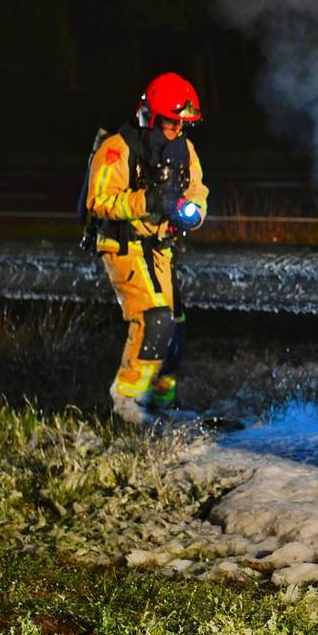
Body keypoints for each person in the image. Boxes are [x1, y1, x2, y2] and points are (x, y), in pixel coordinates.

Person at [84, 72, 208, 424]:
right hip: (123, 243)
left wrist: (192, 215)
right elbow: (100, 200)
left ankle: (161, 401)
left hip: (159, 247)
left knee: (175, 324)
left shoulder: (184, 149)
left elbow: (198, 192)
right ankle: (127, 403)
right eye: (170, 123)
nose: (176, 130)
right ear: (150, 116)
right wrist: (148, 199)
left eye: (182, 124)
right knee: (154, 320)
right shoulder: (117, 149)